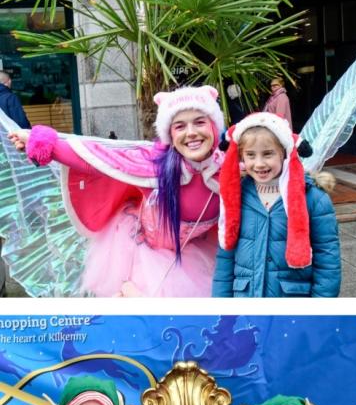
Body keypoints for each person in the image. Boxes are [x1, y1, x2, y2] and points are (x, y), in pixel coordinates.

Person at [7, 85, 227, 296]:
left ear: (214, 126)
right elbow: (97, 158)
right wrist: (44, 144)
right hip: (141, 256)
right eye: (180, 126)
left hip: (196, 254)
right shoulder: (154, 163)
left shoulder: (229, 168)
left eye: (199, 122)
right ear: (169, 133)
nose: (191, 133)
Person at [212, 111, 341, 297]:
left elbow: (327, 259)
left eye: (268, 154)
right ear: (241, 156)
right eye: (250, 155)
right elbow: (225, 258)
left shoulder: (313, 198)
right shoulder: (235, 197)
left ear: (284, 152)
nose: (259, 163)